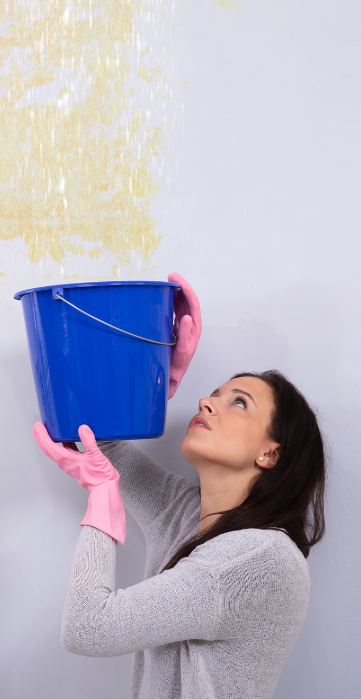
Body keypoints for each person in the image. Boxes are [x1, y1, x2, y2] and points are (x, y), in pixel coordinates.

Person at [33, 276, 326, 699]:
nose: (207, 402)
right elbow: (101, 441)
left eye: (239, 402)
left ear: (271, 454)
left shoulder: (260, 559)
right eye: (214, 394)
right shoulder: (189, 515)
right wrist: (147, 380)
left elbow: (86, 627)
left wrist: (102, 499)